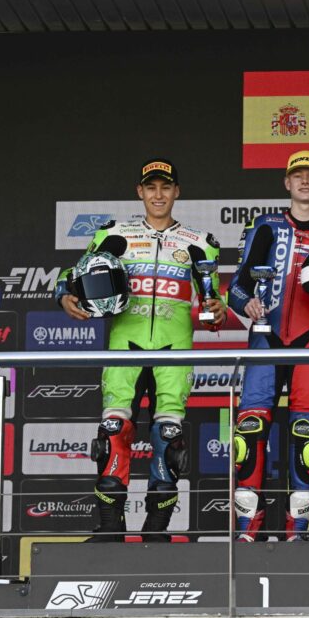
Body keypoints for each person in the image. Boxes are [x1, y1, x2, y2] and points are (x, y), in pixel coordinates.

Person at [55, 159, 225, 542]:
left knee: (169, 438)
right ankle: (110, 529)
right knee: (113, 432)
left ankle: (156, 533)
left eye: (165, 187)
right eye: (151, 187)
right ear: (140, 192)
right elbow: (72, 275)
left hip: (175, 352)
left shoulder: (200, 242)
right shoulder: (114, 235)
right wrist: (64, 295)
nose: (158, 194)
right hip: (124, 348)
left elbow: (214, 301)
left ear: (177, 192)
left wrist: (218, 311)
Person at [228, 149, 309, 540]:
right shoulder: (264, 226)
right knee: (248, 432)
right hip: (265, 339)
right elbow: (237, 286)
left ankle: (296, 532)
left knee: (306, 435)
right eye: (297, 175)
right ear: (286, 182)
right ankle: (248, 530)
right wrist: (246, 304)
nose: (304, 181)